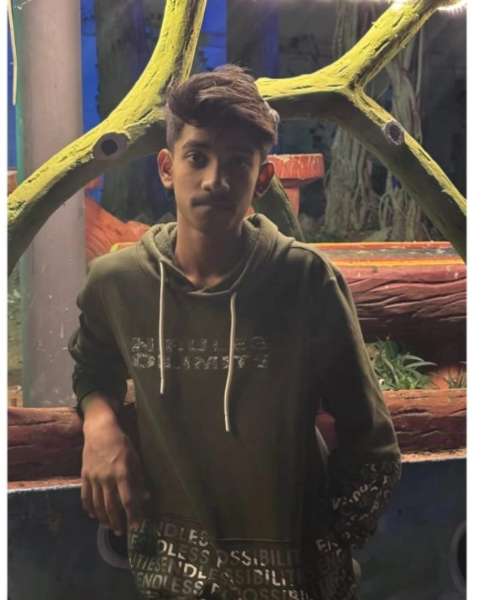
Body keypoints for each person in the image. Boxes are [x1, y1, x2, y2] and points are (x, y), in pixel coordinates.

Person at [69, 64, 401, 600]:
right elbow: (92, 366)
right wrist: (99, 422)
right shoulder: (117, 283)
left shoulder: (306, 281)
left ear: (262, 179)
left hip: (296, 582)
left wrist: (328, 541)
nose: (214, 180)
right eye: (197, 157)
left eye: (238, 162)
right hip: (172, 580)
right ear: (166, 167)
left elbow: (371, 440)